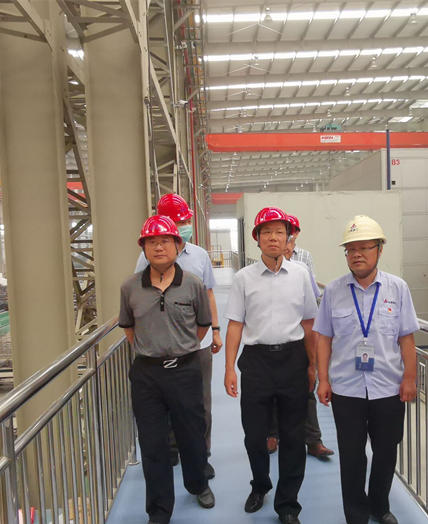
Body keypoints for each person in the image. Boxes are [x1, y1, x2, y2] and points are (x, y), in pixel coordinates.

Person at [314, 215, 419, 524]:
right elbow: (324, 339)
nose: (356, 254)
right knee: (351, 456)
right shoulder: (333, 291)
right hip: (347, 389)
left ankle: (379, 505)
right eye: (350, 249)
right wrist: (323, 380)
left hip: (388, 387)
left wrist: (410, 378)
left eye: (364, 248)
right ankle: (356, 514)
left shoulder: (397, 288)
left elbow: (406, 338)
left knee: (386, 452)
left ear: (379, 250)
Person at [224, 206, 319, 524]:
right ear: (257, 239)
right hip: (256, 362)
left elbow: (309, 323)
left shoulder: (301, 275)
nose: (273, 237)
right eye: (266, 232)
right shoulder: (243, 278)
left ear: (288, 237)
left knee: (293, 436)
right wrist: (229, 368)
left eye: (279, 232)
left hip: (293, 359)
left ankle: (288, 504)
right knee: (254, 434)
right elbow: (235, 324)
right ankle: (260, 485)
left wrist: (313, 365)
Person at [120, 215, 216, 524]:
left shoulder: (193, 284)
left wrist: (180, 348)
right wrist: (152, 351)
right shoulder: (130, 287)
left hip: (185, 370)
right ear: (144, 249)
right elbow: (129, 328)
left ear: (177, 245)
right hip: (147, 375)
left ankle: (198, 484)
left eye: (165, 241)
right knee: (152, 444)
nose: (158, 247)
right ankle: (159, 509)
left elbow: (203, 325)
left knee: (192, 434)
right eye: (151, 242)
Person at [136, 194, 222, 477]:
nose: (185, 226)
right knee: (168, 401)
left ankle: (202, 454)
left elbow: (209, 294)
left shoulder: (199, 256)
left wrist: (214, 331)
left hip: (197, 344)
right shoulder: (146, 257)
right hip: (164, 345)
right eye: (180, 221)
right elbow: (138, 294)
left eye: (185, 221)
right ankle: (173, 449)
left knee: (200, 403)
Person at [268, 228, 334, 461]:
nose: (285, 245)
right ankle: (273, 434)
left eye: (288, 240)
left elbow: (311, 309)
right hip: (271, 343)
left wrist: (313, 359)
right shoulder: (259, 273)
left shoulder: (301, 271)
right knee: (271, 392)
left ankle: (313, 440)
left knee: (306, 389)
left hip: (298, 341)